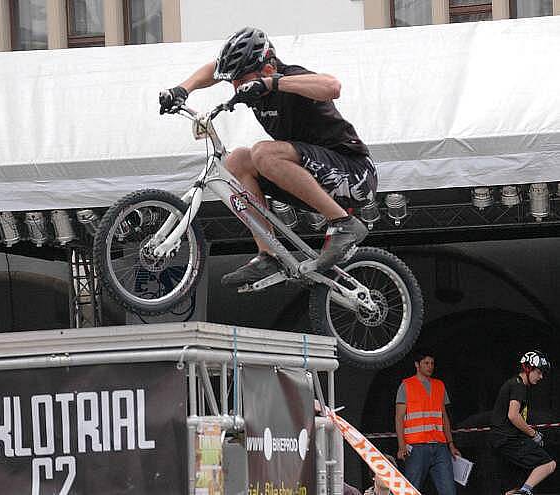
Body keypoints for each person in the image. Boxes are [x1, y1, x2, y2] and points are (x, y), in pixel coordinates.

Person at [159, 27, 377, 287]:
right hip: (313, 178)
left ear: (267, 67)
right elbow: (214, 70)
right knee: (237, 160)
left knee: (263, 152)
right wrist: (182, 89)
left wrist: (272, 83)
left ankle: (344, 224)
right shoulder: (250, 87)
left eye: (243, 80)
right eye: (233, 82)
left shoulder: (289, 77)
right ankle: (268, 255)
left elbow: (333, 86)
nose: (238, 87)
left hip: (353, 174)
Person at [490, 350, 556, 495]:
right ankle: (524, 492)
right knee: (548, 464)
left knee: (513, 488)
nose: (541, 377)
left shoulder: (515, 384)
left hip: (500, 441)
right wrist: (534, 434)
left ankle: (520, 491)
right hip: (509, 439)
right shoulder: (518, 386)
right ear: (527, 368)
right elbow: (513, 415)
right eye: (538, 372)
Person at [394, 350, 460, 494]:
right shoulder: (406, 385)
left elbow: (444, 417)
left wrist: (451, 444)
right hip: (416, 447)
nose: (430, 366)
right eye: (426, 363)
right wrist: (401, 446)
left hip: (440, 446)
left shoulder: (439, 385)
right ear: (417, 365)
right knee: (411, 489)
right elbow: (399, 418)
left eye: (432, 363)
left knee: (449, 490)